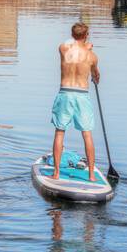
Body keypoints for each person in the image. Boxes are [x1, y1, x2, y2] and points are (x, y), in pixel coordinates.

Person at [51, 22, 100, 180]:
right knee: (87, 134)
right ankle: (91, 175)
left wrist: (84, 44)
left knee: (60, 132)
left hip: (65, 92)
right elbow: (96, 77)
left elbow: (68, 44)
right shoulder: (92, 56)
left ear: (72, 35)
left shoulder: (63, 49)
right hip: (82, 95)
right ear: (86, 35)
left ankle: (56, 173)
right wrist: (88, 48)